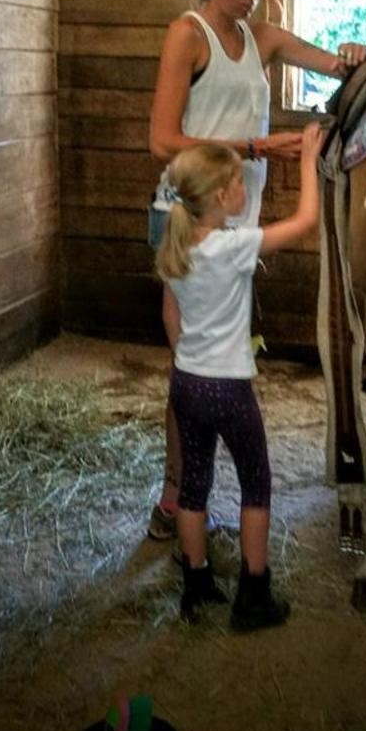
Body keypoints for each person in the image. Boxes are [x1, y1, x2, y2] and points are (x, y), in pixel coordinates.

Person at [147, 0, 366, 540]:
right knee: (192, 362)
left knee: (216, 359)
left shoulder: (260, 37)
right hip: (186, 214)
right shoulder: (189, 34)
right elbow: (161, 139)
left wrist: (349, 53)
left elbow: (330, 63)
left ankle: (187, 497)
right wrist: (250, 148)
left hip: (234, 217)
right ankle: (174, 496)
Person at [155, 122, 324, 630]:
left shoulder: (176, 251)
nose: (245, 189)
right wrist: (309, 162)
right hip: (229, 387)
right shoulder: (232, 248)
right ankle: (253, 595)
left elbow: (172, 320)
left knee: (194, 485)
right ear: (222, 197)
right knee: (256, 482)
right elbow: (306, 220)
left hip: (187, 382)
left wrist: (192, 357)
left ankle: (197, 583)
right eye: (238, 184)